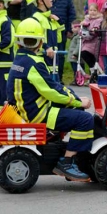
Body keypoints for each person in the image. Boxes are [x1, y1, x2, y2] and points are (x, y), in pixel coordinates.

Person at [8, 18, 95, 182]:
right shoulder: (33, 63)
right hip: (38, 113)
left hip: (25, 109)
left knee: (75, 110)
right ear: (40, 43)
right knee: (85, 119)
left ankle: (55, 140)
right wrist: (77, 101)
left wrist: (72, 97)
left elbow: (52, 86)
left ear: (18, 42)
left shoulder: (19, 60)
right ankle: (67, 162)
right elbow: (51, 92)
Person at [48, 0, 77, 82]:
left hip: (62, 32)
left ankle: (59, 78)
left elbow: (71, 13)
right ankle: (49, 78)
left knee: (60, 55)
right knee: (49, 54)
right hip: (49, 31)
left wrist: (70, 29)